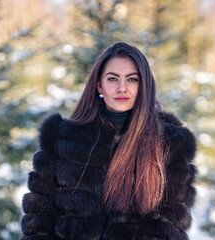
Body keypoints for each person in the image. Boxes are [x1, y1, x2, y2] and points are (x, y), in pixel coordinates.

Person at [20, 42, 197, 240]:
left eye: (132, 79)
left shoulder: (170, 143)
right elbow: (38, 223)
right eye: (113, 79)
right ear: (99, 86)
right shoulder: (61, 137)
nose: (122, 88)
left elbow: (168, 228)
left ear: (144, 86)